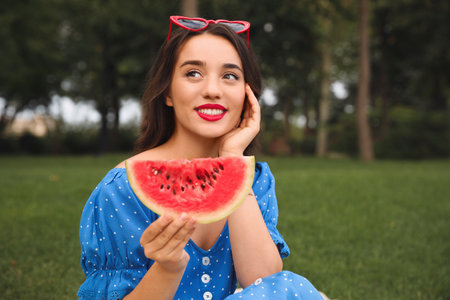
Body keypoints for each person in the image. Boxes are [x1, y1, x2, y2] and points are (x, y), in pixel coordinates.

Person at [78, 16, 324, 300]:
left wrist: (232, 162)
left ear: (247, 94)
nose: (213, 90)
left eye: (230, 76)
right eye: (193, 73)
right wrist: (168, 268)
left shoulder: (254, 180)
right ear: (168, 91)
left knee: (291, 286)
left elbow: (265, 282)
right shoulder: (121, 188)